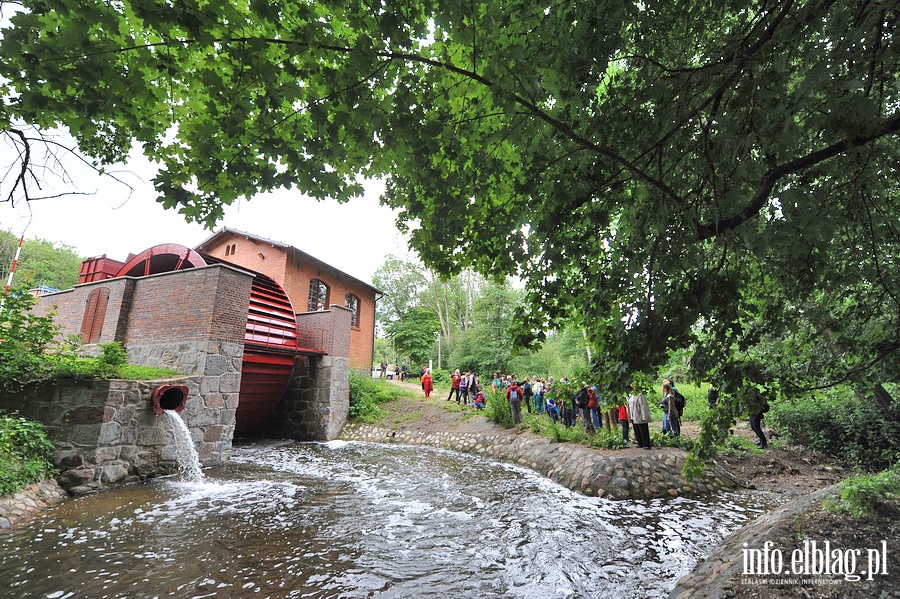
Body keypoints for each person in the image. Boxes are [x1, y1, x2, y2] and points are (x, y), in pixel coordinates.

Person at [628, 381, 653, 449]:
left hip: (640, 415)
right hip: (634, 414)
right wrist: (629, 416)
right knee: (636, 429)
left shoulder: (641, 394)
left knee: (643, 429)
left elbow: (643, 406)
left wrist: (644, 416)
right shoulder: (631, 395)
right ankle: (640, 443)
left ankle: (646, 444)